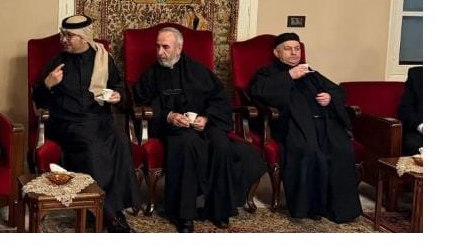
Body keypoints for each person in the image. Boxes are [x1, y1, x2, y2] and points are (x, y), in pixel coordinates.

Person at [134, 27, 265, 232]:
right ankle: (183, 214)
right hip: (173, 128)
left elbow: (219, 99)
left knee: (222, 145)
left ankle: (219, 210)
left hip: (204, 124)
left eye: (165, 47)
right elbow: (142, 102)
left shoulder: (198, 70)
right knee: (187, 143)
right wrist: (169, 116)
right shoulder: (151, 74)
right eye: (157, 47)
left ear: (179, 48)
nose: (160, 52)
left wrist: (206, 118)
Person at [32, 15, 141, 232]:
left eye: (69, 36)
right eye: (63, 34)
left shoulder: (103, 59)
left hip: (100, 119)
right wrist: (48, 84)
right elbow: (38, 99)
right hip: (67, 122)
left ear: (84, 37)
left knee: (120, 141)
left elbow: (119, 87)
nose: (63, 40)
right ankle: (109, 216)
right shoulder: (58, 61)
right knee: (92, 146)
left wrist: (118, 96)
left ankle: (113, 208)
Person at [249, 32, 361, 223]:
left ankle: (337, 209)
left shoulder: (310, 72)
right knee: (309, 151)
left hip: (323, 124)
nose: (294, 53)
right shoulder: (267, 73)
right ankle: (309, 208)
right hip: (294, 125)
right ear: (277, 53)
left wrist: (330, 98)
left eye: (297, 48)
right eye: (288, 49)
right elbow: (258, 92)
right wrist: (289, 76)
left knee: (342, 150)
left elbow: (338, 90)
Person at [398, 66, 423, 156]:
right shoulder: (416, 75)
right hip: (419, 131)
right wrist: (421, 127)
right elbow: (405, 110)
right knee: (413, 144)